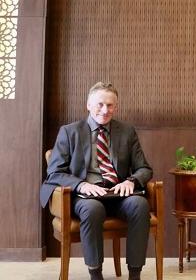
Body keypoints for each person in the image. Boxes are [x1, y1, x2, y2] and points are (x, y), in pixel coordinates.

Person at [40, 82, 153, 280]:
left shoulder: (127, 132)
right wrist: (82, 185)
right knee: (93, 209)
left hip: (117, 194)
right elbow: (55, 172)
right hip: (85, 196)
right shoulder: (69, 132)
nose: (105, 110)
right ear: (88, 105)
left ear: (116, 107)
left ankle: (135, 274)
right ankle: (95, 274)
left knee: (140, 205)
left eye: (110, 105)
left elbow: (144, 168)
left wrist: (131, 181)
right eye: (100, 104)